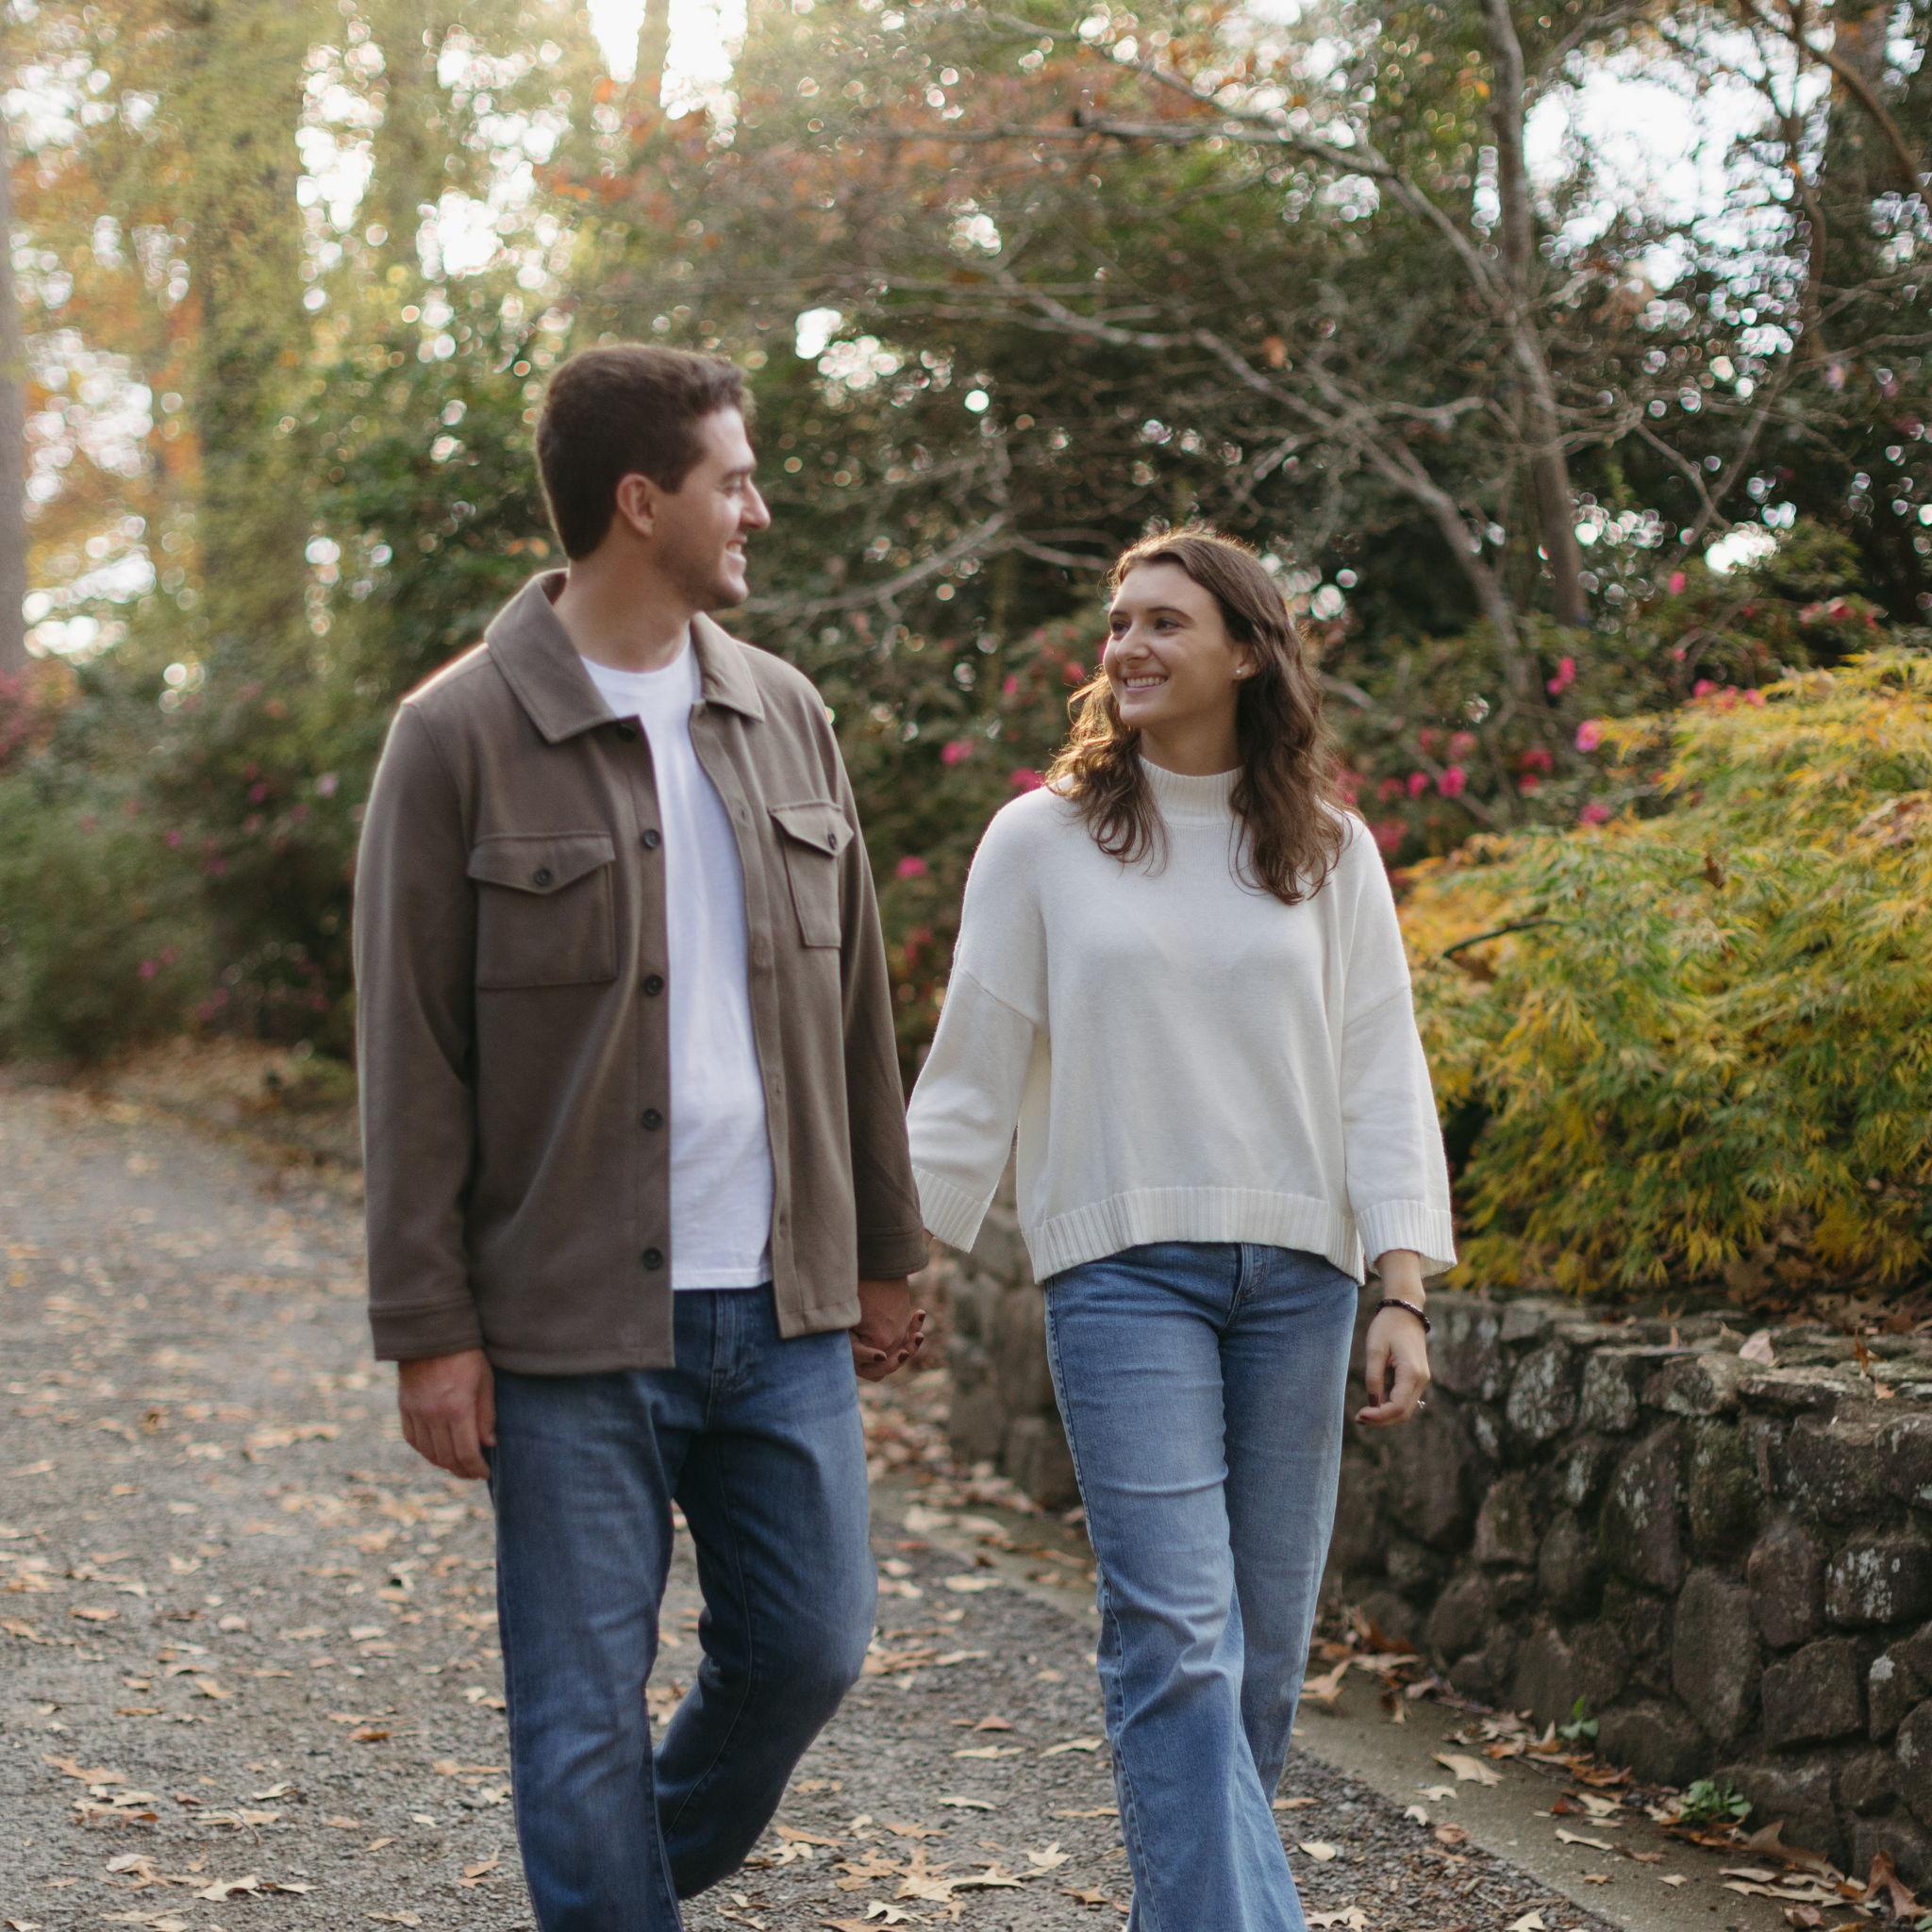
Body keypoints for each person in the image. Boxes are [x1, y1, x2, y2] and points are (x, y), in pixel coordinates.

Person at [353, 343, 928, 1932]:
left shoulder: (785, 718)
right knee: (578, 1713)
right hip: (566, 1331)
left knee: (810, 1649)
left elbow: (859, 1011)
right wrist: (429, 1332)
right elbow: (409, 1057)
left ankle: (604, 1882)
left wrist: (887, 1253)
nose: (758, 506)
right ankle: (597, 1881)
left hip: (782, 1311)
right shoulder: (457, 737)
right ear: (638, 502)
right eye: (732, 479)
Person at [906, 526, 1454, 1932]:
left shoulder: (1331, 854)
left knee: (1261, 1663)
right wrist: (897, 1258)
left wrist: (1402, 1289)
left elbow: (1381, 1072)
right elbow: (970, 1074)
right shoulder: (1040, 840)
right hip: (1121, 1277)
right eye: (1117, 624)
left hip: (1303, 1281)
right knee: (1177, 1644)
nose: (1128, 648)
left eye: (1165, 623)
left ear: (1248, 650)